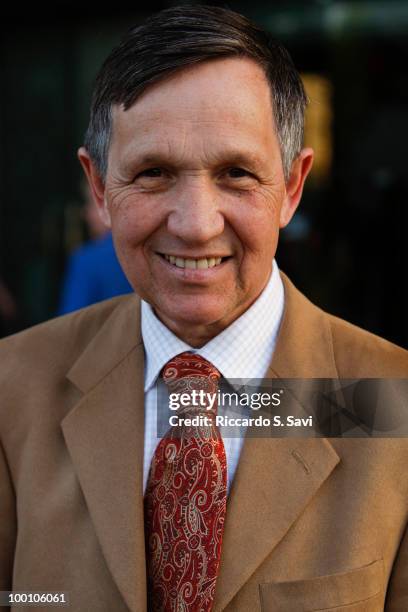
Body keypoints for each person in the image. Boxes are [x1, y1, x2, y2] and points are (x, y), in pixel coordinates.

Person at [0, 6, 407, 611]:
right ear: (99, 188)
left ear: (291, 188)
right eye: (154, 172)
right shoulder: (13, 387)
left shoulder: (391, 401)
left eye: (238, 173)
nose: (195, 225)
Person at [58, 180, 132, 314]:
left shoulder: (87, 260)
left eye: (90, 204)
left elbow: (70, 323)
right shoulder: (146, 253)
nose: (84, 214)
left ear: (107, 207)